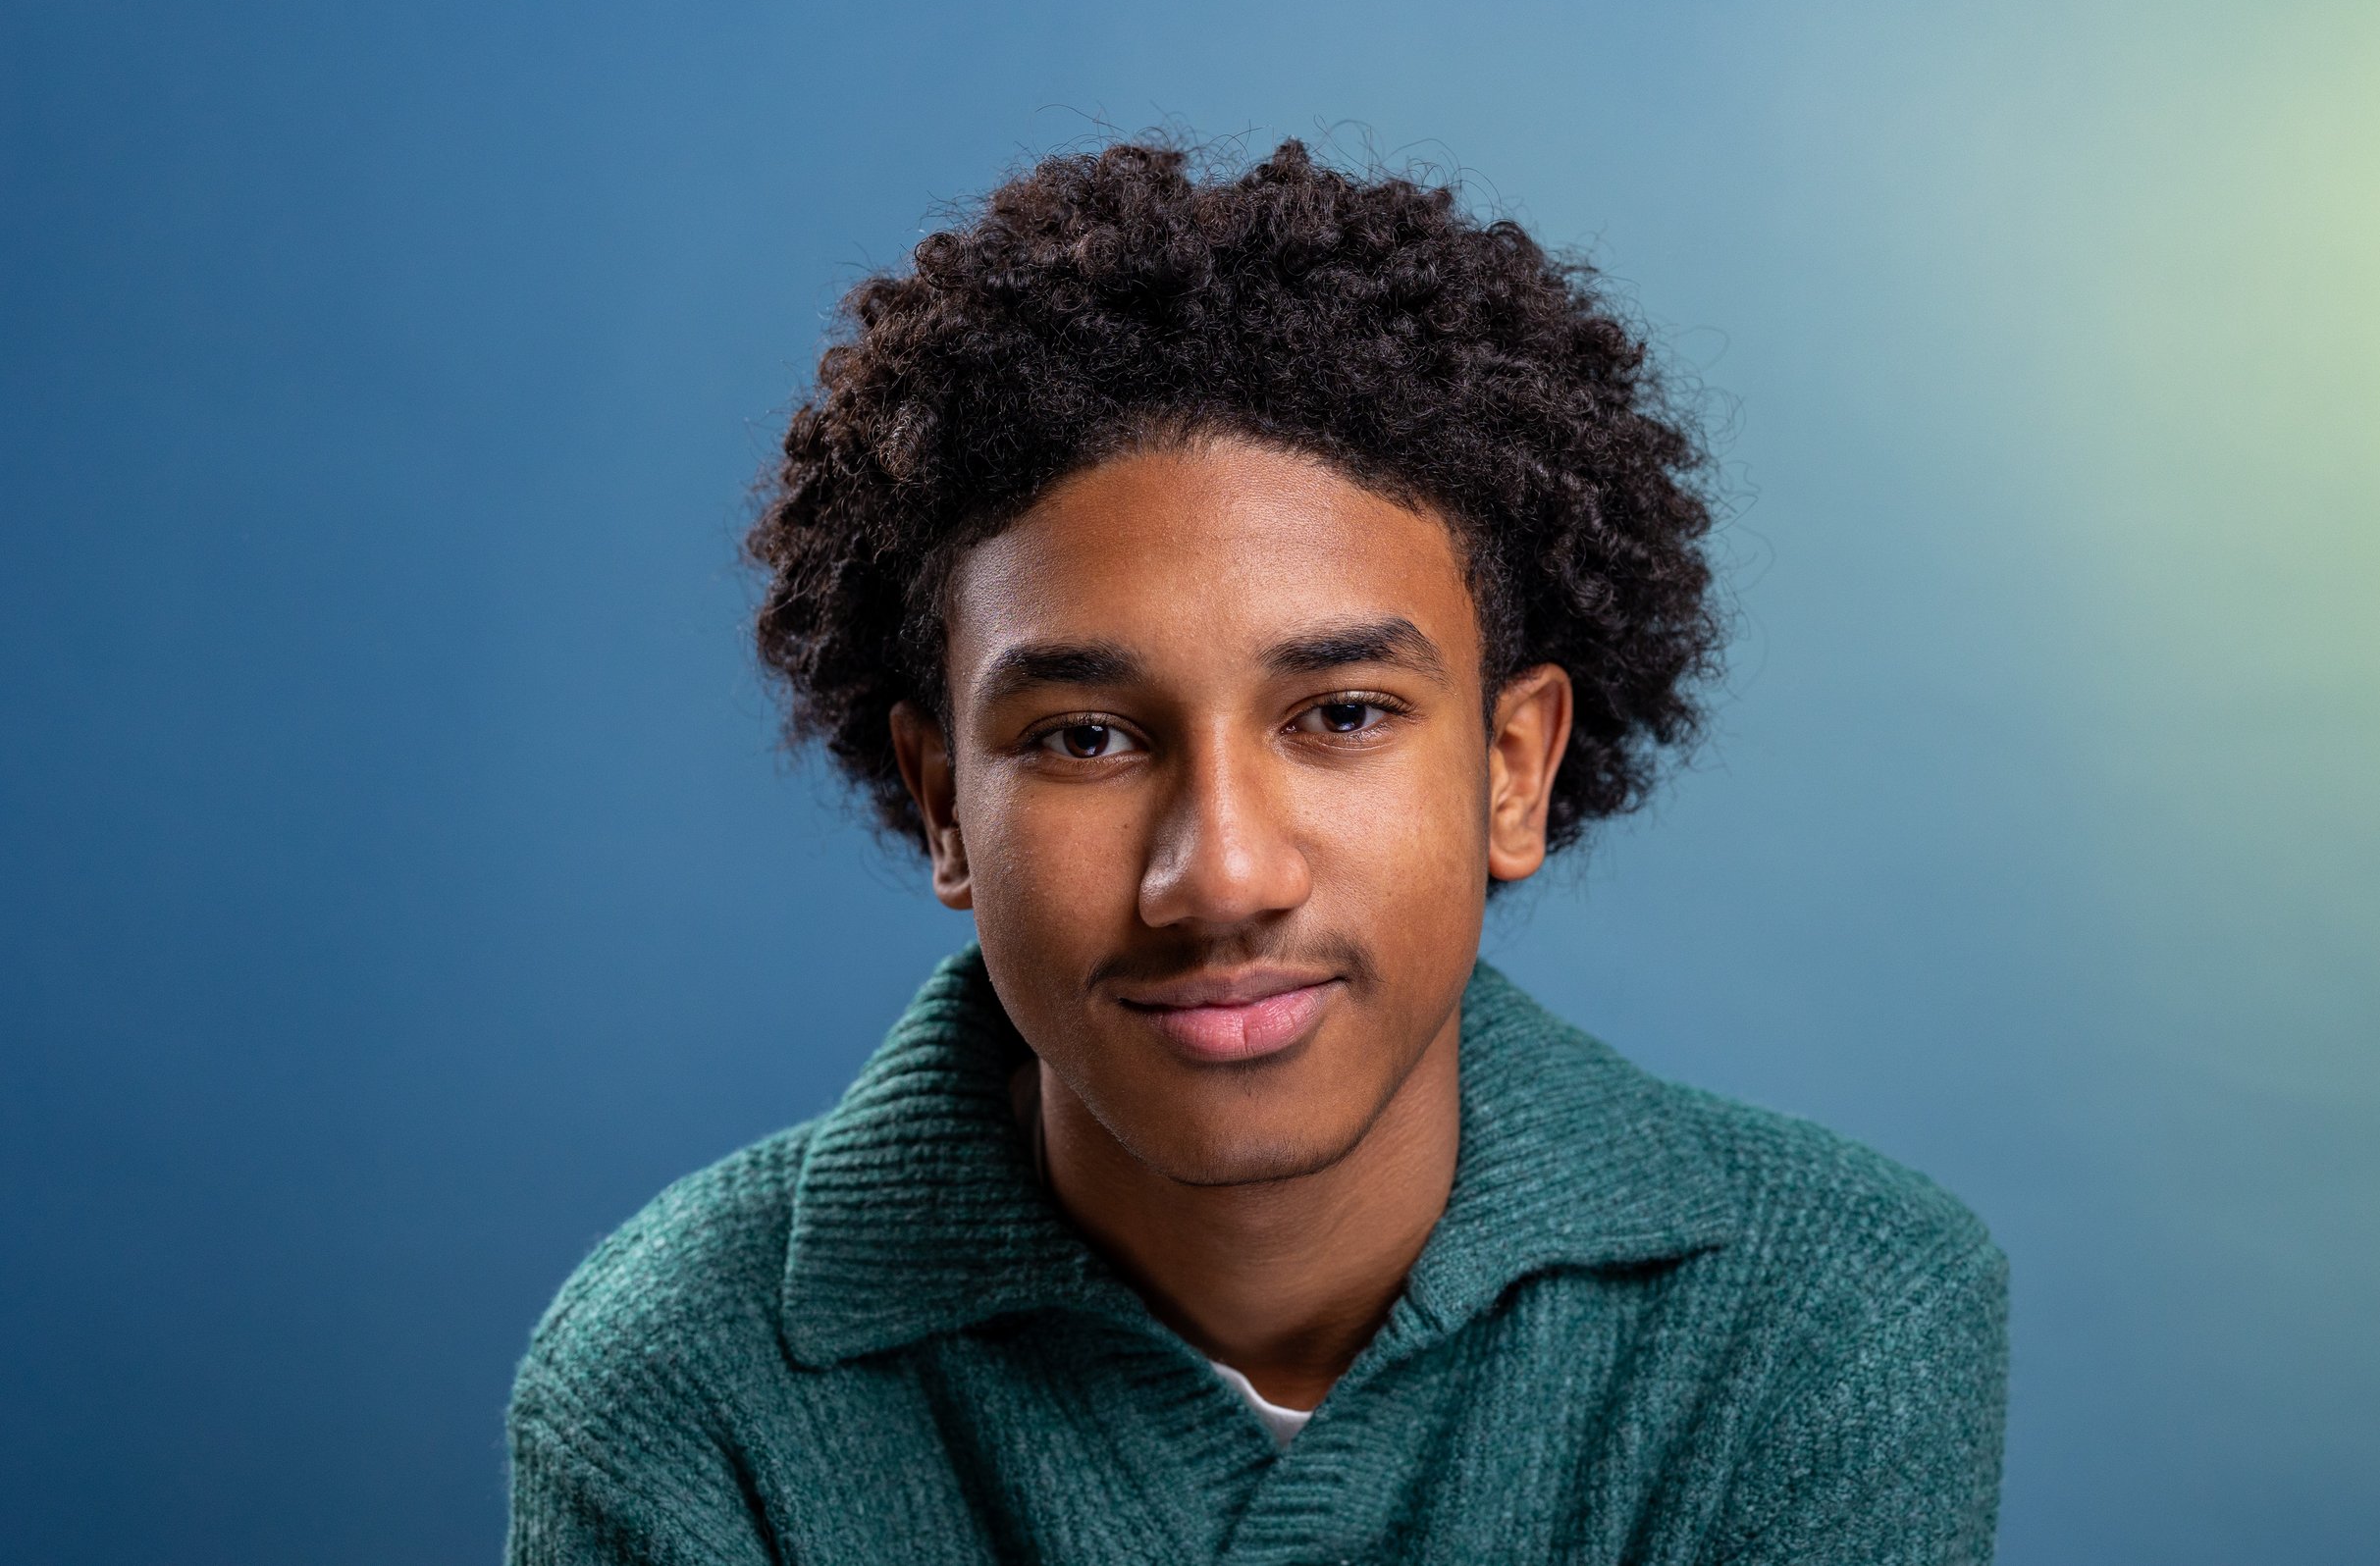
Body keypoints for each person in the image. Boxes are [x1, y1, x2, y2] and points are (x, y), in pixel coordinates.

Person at [503, 139, 2008, 1564]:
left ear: (1512, 770)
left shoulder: (1834, 1313)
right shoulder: (678, 1382)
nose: (1220, 877)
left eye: (1341, 714)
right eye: (1086, 737)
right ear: (944, 804)